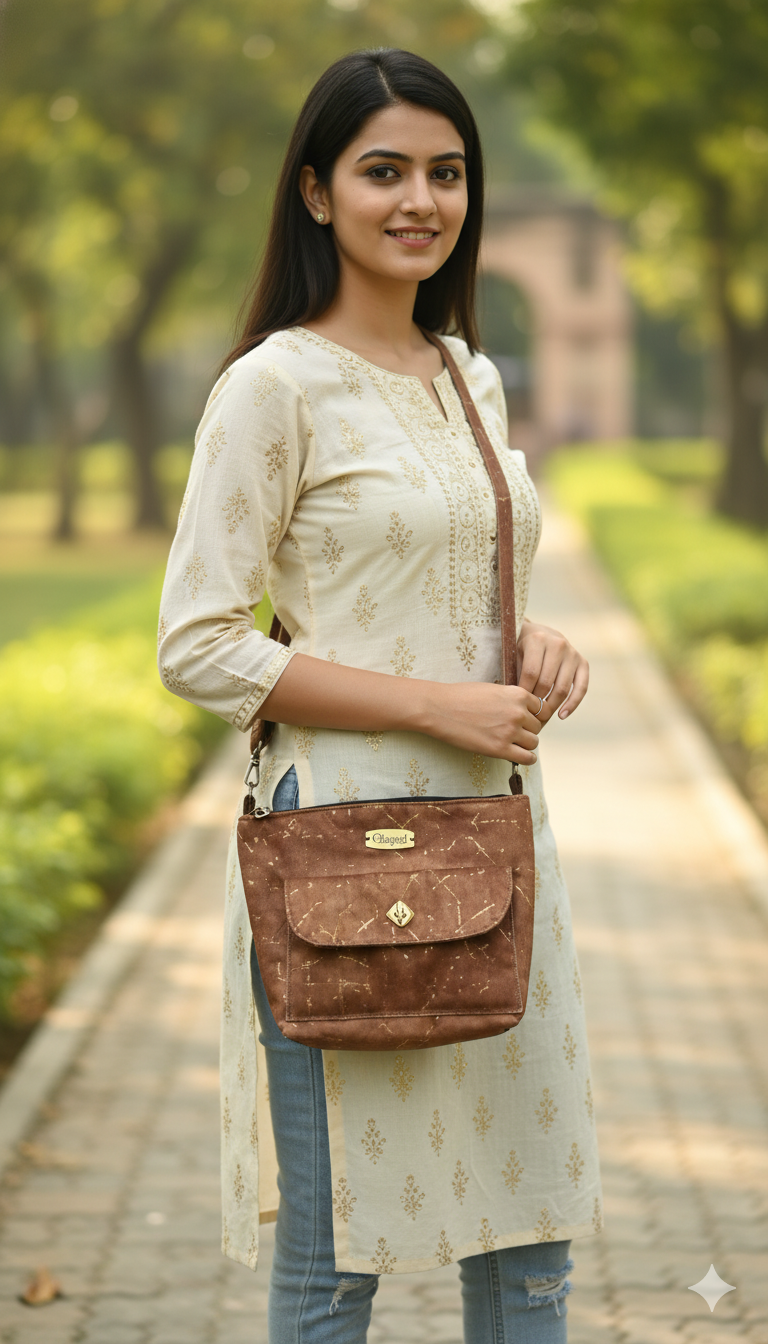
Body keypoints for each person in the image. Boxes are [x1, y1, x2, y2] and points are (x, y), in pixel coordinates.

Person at [158, 46, 602, 1344]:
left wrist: (534, 644)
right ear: (315, 193)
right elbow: (199, 644)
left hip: (503, 829)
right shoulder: (272, 388)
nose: (421, 199)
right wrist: (429, 708)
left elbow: (457, 584)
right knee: (336, 1255)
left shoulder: (470, 375)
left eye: (447, 173)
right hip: (347, 849)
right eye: (384, 171)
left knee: (530, 1239)